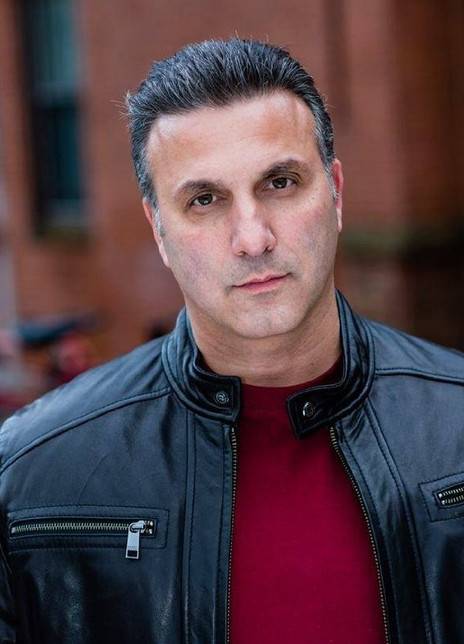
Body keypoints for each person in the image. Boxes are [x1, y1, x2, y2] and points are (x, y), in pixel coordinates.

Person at [0, 38, 463, 644]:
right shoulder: (31, 477)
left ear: (336, 193)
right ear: (159, 231)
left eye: (280, 183)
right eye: (205, 200)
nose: (252, 238)